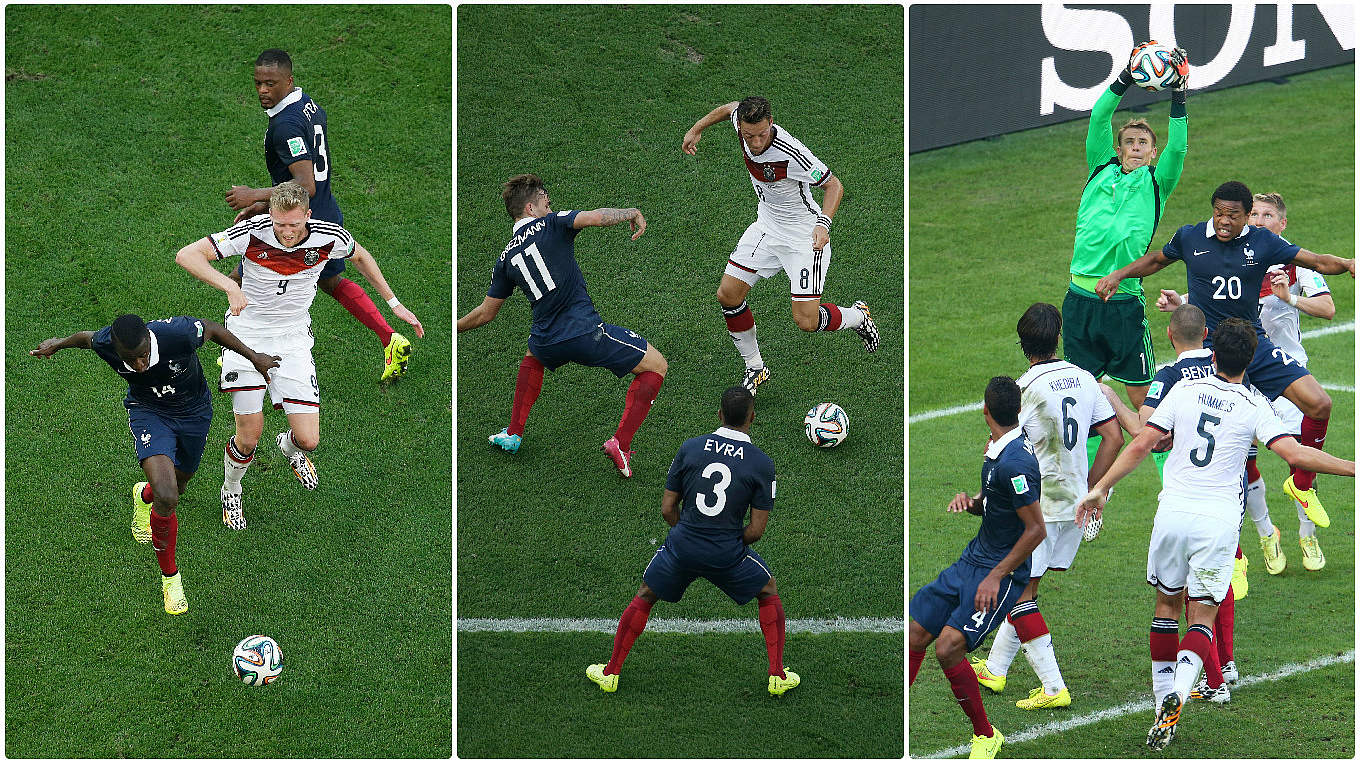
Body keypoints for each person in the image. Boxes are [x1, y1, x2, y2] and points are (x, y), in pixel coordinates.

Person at [1075, 318, 1354, 750]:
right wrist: (1354, 467)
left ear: (1212, 351)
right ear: (1251, 359)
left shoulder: (1182, 390)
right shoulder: (1254, 404)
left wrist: (1100, 488)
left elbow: (1141, 444)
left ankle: (1158, 700)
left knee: (1166, 605)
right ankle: (1180, 695)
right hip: (1218, 521)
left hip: (1173, 511)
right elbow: (1296, 452)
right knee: (1201, 615)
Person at [1097, 181, 1355, 542]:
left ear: (1247, 216)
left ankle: (1302, 484)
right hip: (1209, 350)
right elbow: (1157, 260)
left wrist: (1347, 263)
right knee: (1218, 451)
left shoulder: (1263, 242)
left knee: (1320, 404)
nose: (1223, 221)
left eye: (1232, 215)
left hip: (1252, 342)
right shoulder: (1190, 237)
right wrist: (1119, 274)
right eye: (1219, 213)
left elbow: (1315, 261)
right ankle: (1236, 554)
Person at [178, 181, 419, 528]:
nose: (286, 232)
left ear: (307, 215)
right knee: (249, 435)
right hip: (247, 335)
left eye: (293, 224)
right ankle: (231, 489)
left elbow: (361, 256)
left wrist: (394, 304)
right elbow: (186, 254)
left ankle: (289, 449)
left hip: (292, 341)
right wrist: (231, 285)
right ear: (271, 215)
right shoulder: (252, 232)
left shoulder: (329, 237)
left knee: (309, 439)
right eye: (279, 224)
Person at [30, 314, 278, 615]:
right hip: (148, 411)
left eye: (142, 356)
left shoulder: (177, 334)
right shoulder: (107, 343)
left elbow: (212, 329)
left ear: (149, 338)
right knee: (168, 494)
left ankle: (143, 495)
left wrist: (254, 358)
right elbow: (85, 337)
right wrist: (57, 344)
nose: (139, 365)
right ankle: (171, 578)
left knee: (180, 484)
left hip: (194, 412)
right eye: (129, 360)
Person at [1157, 191, 1336, 572]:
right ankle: (1261, 538)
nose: (1258, 221)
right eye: (1253, 214)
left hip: (1278, 362)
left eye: (1266, 215)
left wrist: (1290, 299)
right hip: (1237, 365)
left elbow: (1328, 307)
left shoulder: (1292, 262)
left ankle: (1308, 535)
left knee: (1301, 450)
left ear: (1281, 224)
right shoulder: (1239, 252)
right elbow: (1214, 288)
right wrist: (1181, 304)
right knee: (1239, 460)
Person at [224, 49, 423, 382]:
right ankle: (390, 339)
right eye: (258, 83)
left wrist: (254, 195)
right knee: (327, 281)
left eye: (270, 84)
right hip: (320, 212)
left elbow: (306, 184)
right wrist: (266, 206)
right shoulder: (307, 105)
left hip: (303, 217)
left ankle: (237, 355)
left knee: (243, 277)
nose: (262, 90)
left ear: (288, 80)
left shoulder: (285, 125)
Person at [585, 387, 796, 696]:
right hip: (727, 553)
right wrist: (723, 541)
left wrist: (692, 533)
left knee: (646, 594)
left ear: (719, 415)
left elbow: (667, 508)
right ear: (752, 417)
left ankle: (610, 672)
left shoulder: (691, 448)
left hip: (683, 546)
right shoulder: (761, 463)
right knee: (767, 590)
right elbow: (756, 530)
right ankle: (777, 675)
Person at [457, 174, 667, 478]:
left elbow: (486, 313)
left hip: (545, 340)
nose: (549, 202)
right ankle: (620, 443)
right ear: (531, 207)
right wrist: (631, 213)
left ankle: (514, 432)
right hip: (585, 333)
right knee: (657, 366)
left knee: (533, 356)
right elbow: (596, 218)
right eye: (545, 199)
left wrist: (455, 328)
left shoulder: (505, 258)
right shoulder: (554, 222)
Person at [971, 304, 1122, 711]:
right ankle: (996, 669)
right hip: (1075, 504)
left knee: (1018, 594)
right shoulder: (1084, 379)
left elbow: (1005, 452)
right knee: (1026, 586)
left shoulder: (1023, 390)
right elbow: (1113, 437)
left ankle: (1054, 687)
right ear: (1058, 337)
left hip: (1034, 510)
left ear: (1023, 343)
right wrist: (1094, 489)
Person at [681, 96, 879, 394]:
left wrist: (823, 223)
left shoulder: (792, 153)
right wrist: (697, 128)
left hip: (804, 238)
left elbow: (833, 185)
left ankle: (857, 317)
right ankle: (756, 367)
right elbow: (729, 108)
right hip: (766, 227)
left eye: (762, 134)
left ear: (770, 123)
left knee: (806, 321)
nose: (756, 141)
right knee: (728, 295)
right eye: (749, 136)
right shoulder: (742, 124)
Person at [1100, 304, 1242, 704]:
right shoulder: (1225, 370)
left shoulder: (1171, 378)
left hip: (1189, 500)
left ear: (1169, 335)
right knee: (1217, 585)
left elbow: (1148, 436)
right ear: (1207, 335)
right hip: (1230, 498)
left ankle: (1211, 682)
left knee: (1181, 598)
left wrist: (1113, 399)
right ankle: (1224, 665)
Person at [910, 377, 1045, 760]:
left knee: (948, 647)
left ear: (984, 410)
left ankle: (986, 734)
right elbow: (998, 505)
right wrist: (972, 503)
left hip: (999, 572)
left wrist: (997, 575)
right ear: (1016, 411)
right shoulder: (997, 450)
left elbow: (1036, 529)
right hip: (975, 558)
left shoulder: (1015, 462)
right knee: (916, 632)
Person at [1063, 43, 1189, 421]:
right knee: (1082, 401)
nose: (1136, 148)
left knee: (1145, 402)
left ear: (1153, 152)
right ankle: (1090, 483)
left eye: (1144, 143)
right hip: (1079, 297)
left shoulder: (1157, 183)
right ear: (1118, 149)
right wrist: (1125, 76)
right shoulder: (1100, 168)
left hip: (1124, 301)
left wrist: (1179, 93)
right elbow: (1099, 117)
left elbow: (1179, 147)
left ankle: (1171, 475)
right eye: (1130, 142)